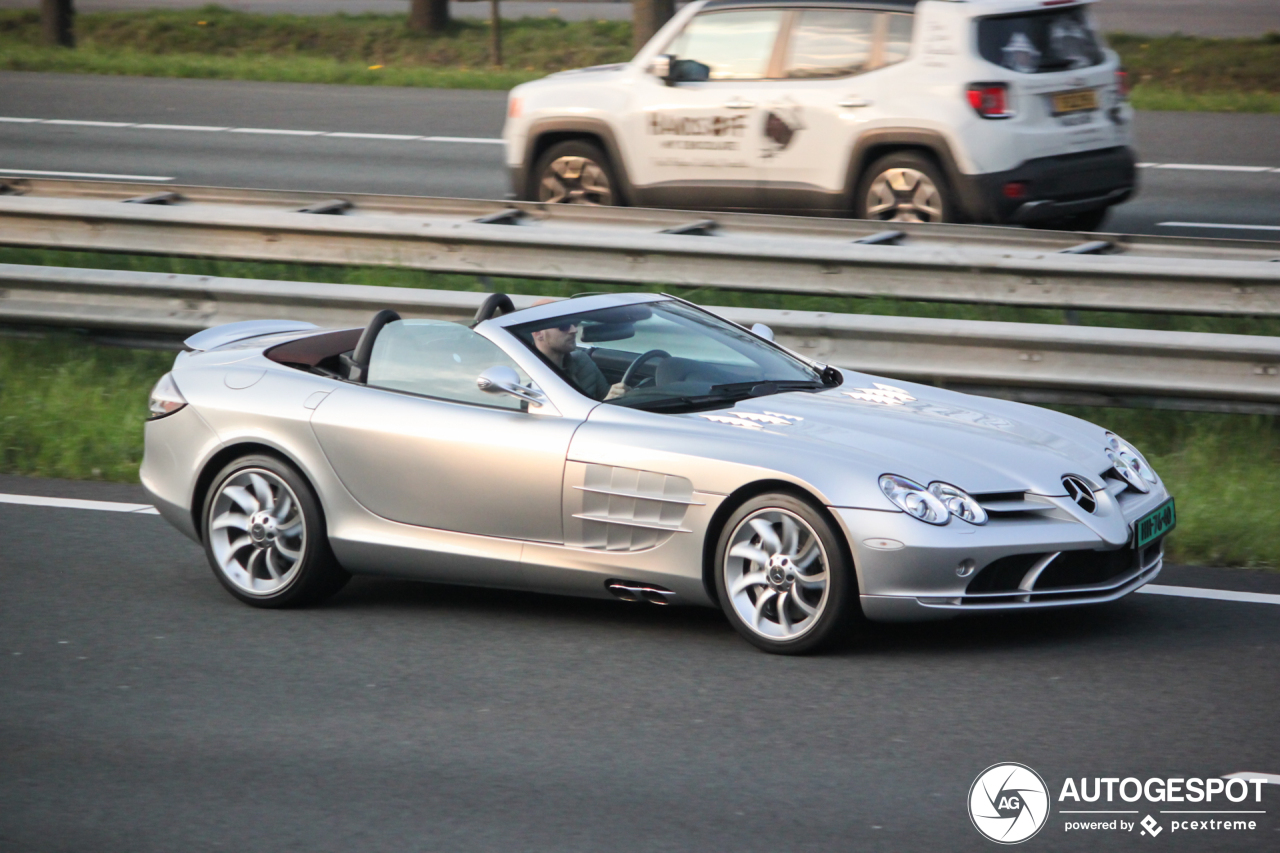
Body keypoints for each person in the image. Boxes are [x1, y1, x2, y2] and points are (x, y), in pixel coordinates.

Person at [531, 319, 628, 401]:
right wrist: (606, 405)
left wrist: (620, 394)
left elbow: (604, 393)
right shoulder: (530, 377)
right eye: (563, 326)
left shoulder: (582, 360)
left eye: (575, 324)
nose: (574, 330)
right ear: (538, 333)